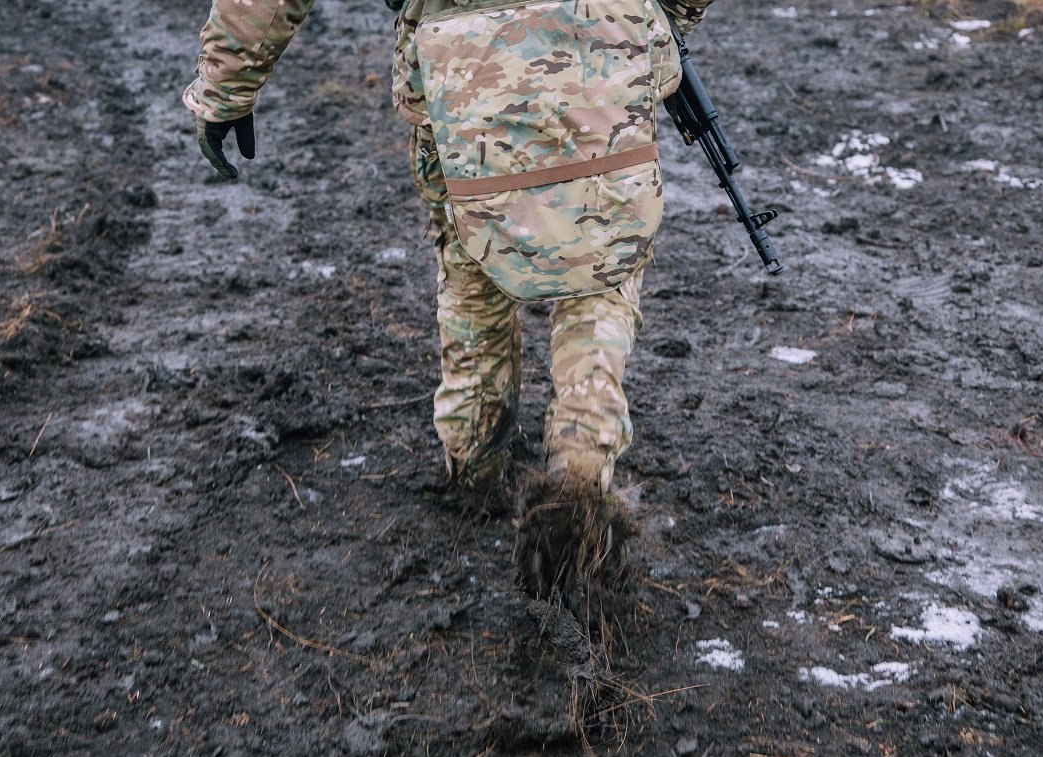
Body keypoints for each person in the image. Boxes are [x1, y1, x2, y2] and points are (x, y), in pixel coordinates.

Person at [183, 0, 717, 624]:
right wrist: (662, 20)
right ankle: (580, 468)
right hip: (604, 42)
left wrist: (225, 86)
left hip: (460, 76)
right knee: (600, 277)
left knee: (472, 268)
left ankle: (475, 462)